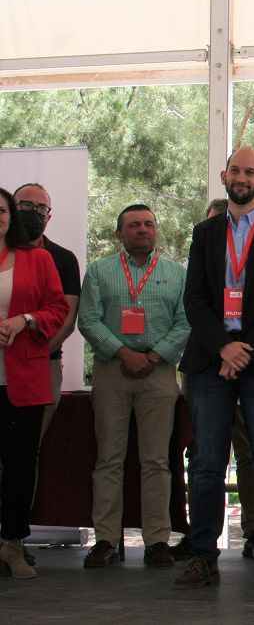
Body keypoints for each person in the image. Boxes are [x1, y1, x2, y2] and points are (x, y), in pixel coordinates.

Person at [174, 147, 254, 590]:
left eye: (250, 171)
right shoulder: (204, 233)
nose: (242, 176)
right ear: (224, 175)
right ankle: (202, 556)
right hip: (210, 360)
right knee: (208, 463)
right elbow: (194, 299)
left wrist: (243, 350)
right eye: (236, 169)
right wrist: (223, 348)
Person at [77, 204, 189, 569]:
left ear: (156, 230)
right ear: (119, 234)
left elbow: (186, 323)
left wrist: (153, 357)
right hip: (112, 369)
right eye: (134, 225)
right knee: (109, 459)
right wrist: (124, 352)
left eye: (149, 224)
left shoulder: (177, 274)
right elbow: (89, 320)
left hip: (158, 373)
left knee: (156, 461)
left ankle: (157, 540)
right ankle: (106, 540)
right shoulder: (99, 271)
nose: (143, 229)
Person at [0, 187, 69, 579]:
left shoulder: (38, 258)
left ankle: (12, 545)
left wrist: (24, 320)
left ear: (11, 216)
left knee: (20, 463)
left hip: (23, 377)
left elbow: (58, 308)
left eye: (2, 210)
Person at [13, 183, 80, 437]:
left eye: (41, 208)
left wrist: (31, 354)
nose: (33, 212)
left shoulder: (62, 258)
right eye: (26, 205)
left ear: (49, 217)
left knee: (29, 449)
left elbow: (67, 319)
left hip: (44, 363)